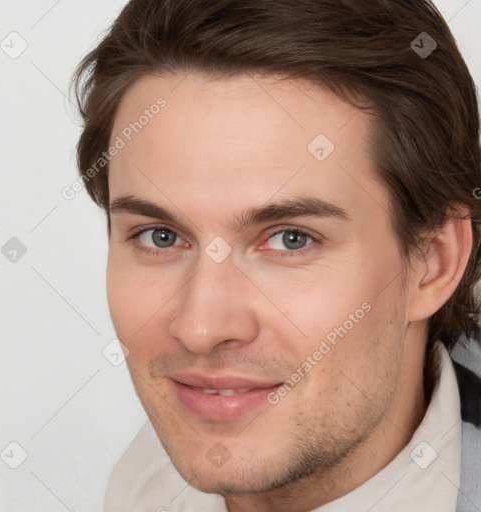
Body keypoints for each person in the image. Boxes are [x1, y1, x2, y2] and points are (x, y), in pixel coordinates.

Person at [70, 0, 481, 510]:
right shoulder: (146, 483)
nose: (200, 328)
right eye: (160, 236)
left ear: (433, 263)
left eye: (291, 239)